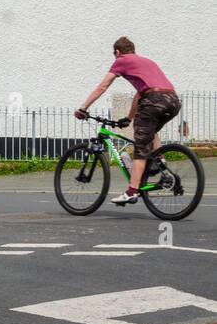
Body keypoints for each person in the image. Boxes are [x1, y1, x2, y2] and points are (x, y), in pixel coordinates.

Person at [76, 37, 180, 206]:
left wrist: (83, 108)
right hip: (173, 100)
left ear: (117, 52)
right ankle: (160, 163)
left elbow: (103, 86)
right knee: (150, 131)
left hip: (153, 100)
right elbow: (140, 94)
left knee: (140, 147)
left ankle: (132, 191)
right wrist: (129, 118)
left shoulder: (122, 61)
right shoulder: (147, 62)